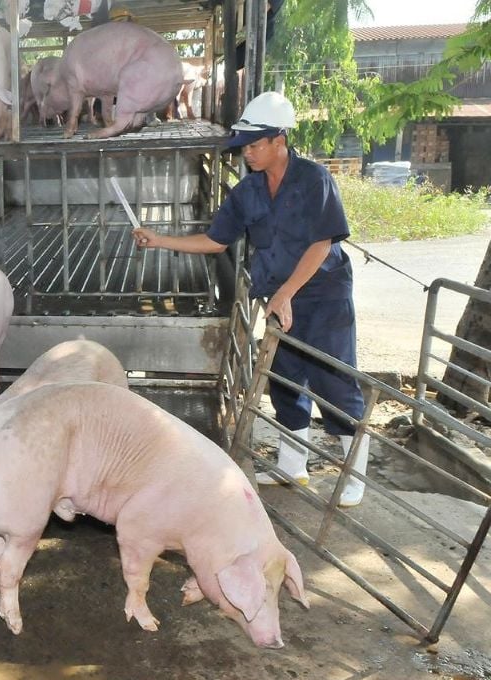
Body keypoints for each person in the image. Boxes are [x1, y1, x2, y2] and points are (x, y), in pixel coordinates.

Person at [132, 91, 370, 507]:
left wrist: (285, 293)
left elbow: (322, 243)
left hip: (322, 294)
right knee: (284, 379)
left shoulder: (315, 180)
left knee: (334, 379)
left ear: (280, 139)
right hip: (280, 298)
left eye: (255, 145)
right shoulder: (248, 192)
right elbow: (214, 240)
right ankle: (293, 466)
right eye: (244, 147)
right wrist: (159, 240)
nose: (248, 154)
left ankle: (354, 476)